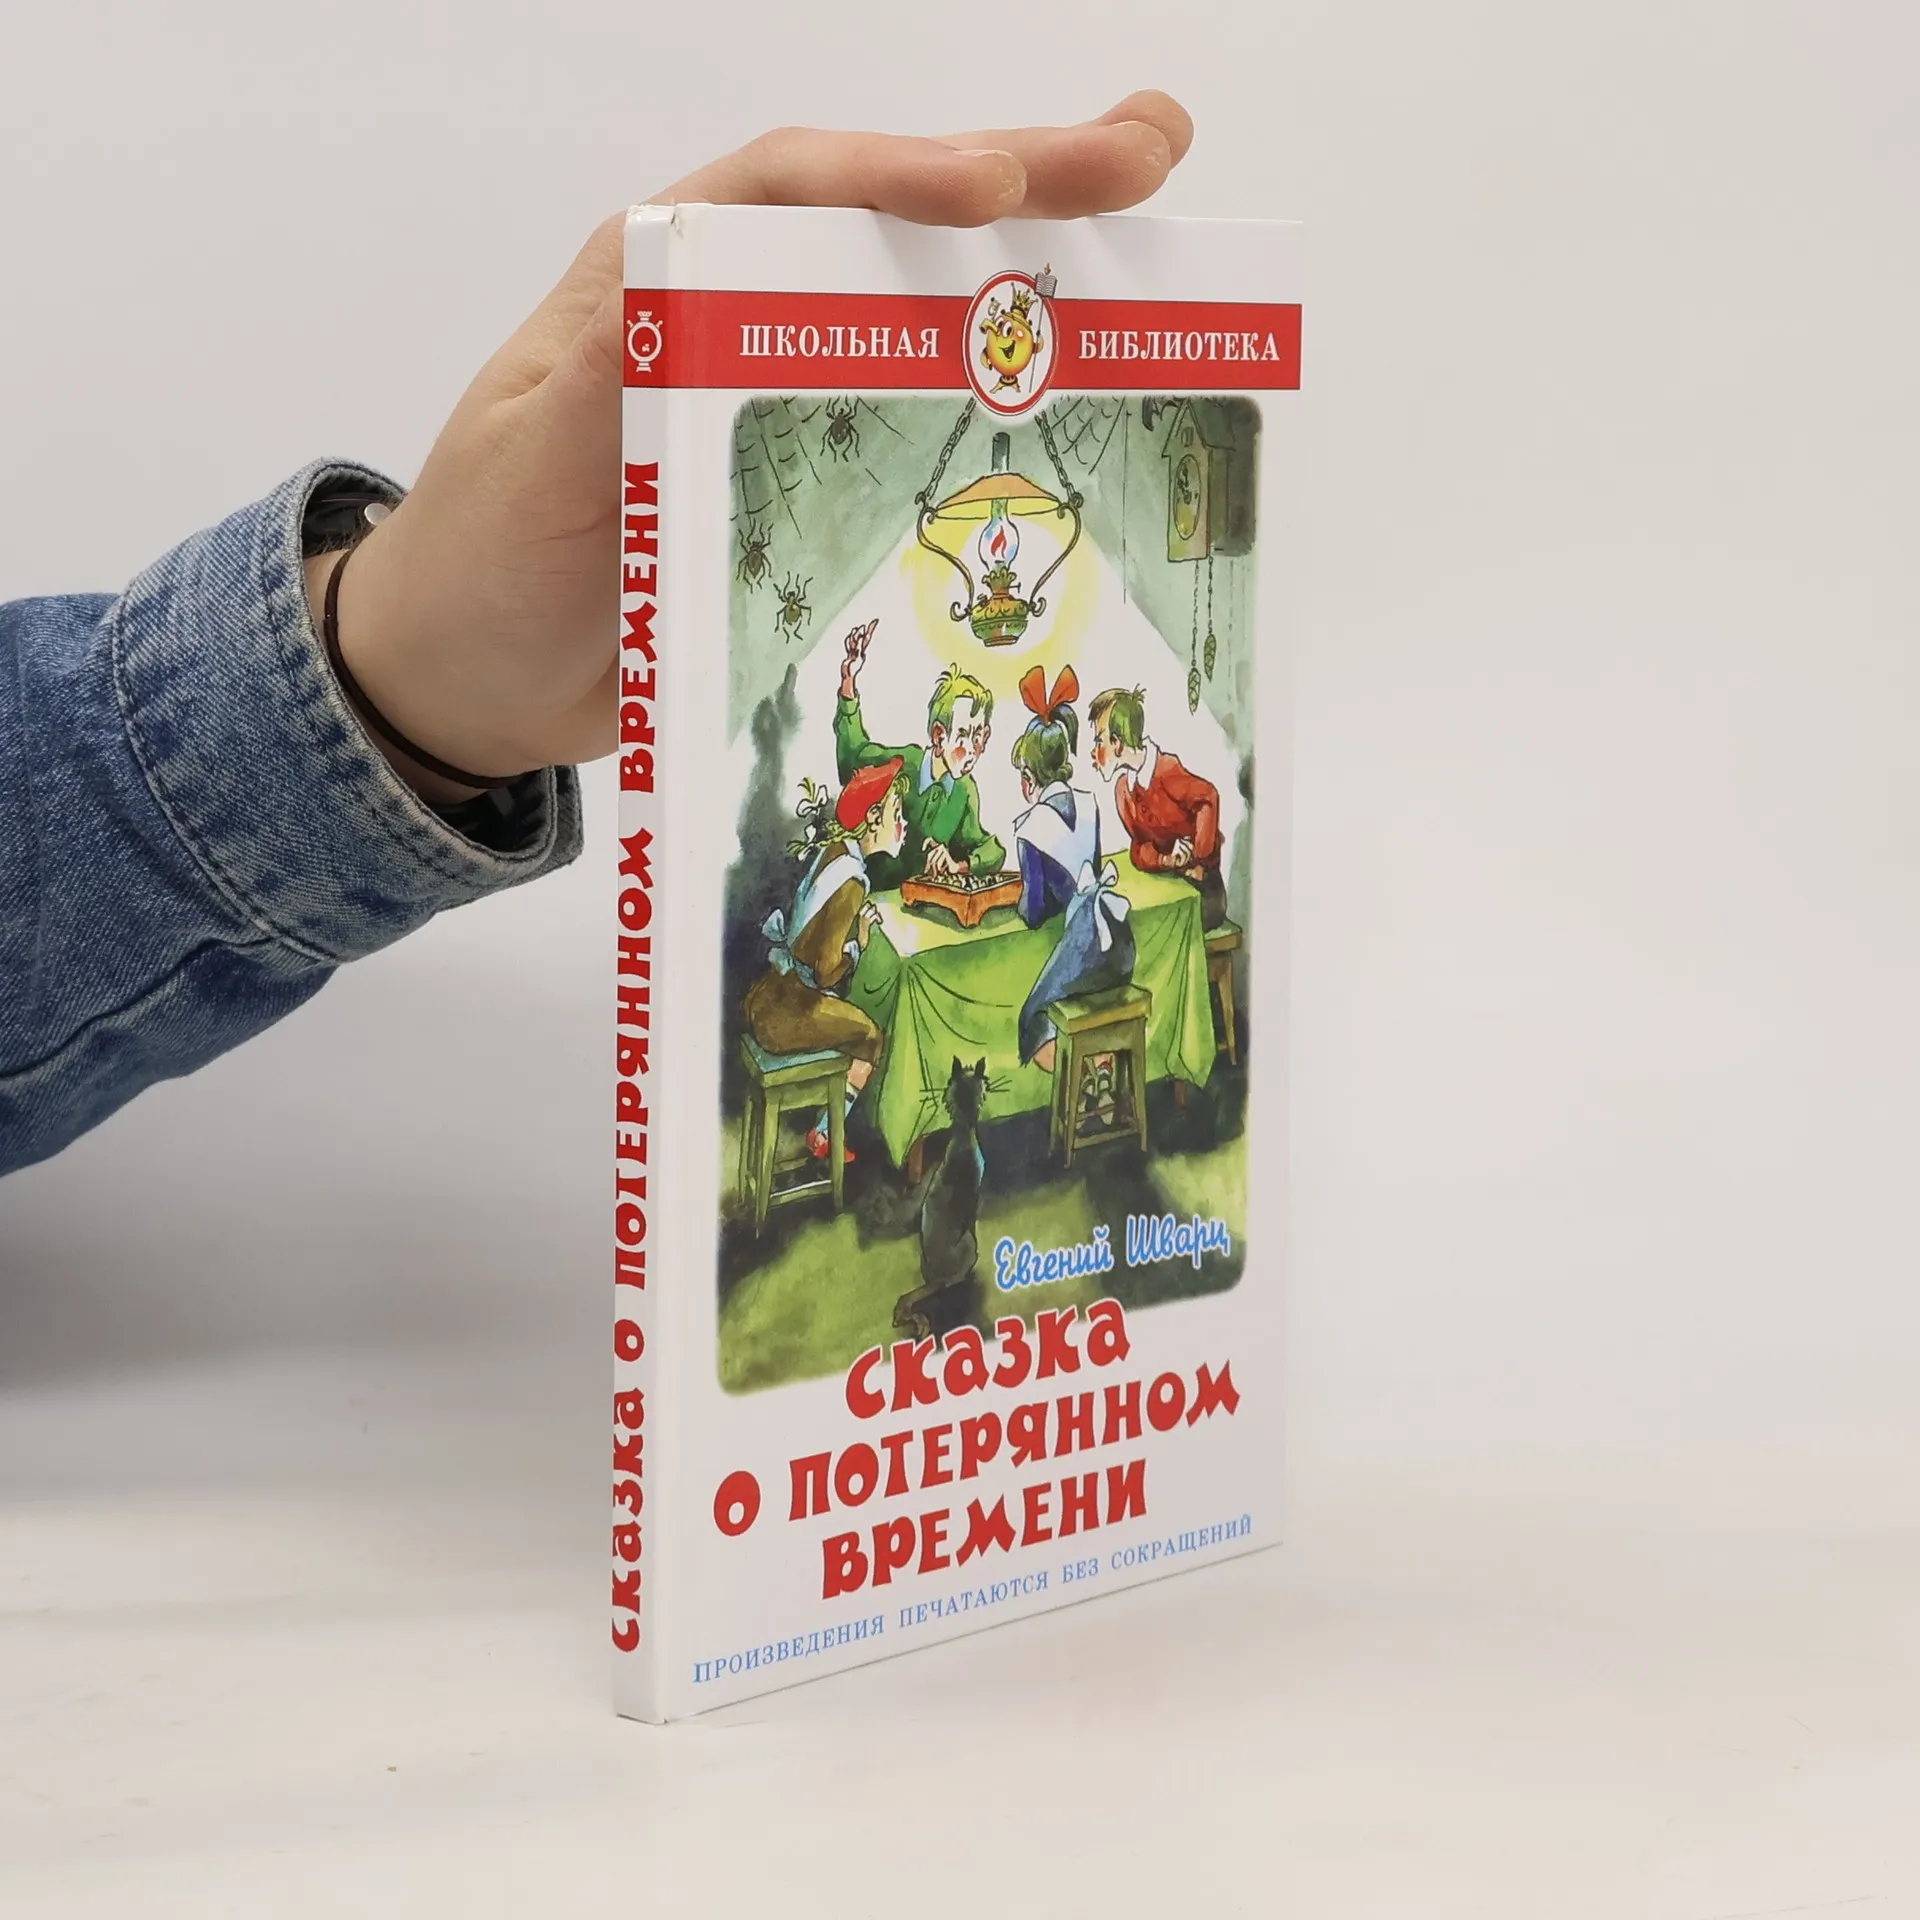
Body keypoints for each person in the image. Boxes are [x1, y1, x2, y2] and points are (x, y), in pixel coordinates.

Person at [0, 95, 1195, 1177]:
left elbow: (963, 845)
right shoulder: (883, 789)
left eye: (980, 731)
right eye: (964, 727)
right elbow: (865, 797)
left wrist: (394, 677)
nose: (968, 743)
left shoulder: (967, 795)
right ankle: (910, 1148)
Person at [745, 760, 906, 1162]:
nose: (902, 824)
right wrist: (860, 944)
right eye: (897, 813)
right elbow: (826, 972)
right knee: (871, 1037)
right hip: (791, 1008)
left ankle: (825, 1128)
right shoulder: (852, 883)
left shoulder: (833, 854)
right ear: (873, 819)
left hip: (772, 992)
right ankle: (823, 1133)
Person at [1008, 666, 1135, 1076]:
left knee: (1033, 1018)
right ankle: (1099, 1066)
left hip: (1084, 945)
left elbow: (1034, 912)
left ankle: (1083, 1078)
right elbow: (1089, 872)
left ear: (1029, 778)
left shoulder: (1031, 828)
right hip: (1117, 941)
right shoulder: (1090, 805)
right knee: (1072, 1008)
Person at [833, 618, 1004, 891]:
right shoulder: (903, 765)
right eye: (962, 735)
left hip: (919, 901)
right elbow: (853, 755)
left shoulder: (964, 791)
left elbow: (990, 849)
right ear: (939, 736)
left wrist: (958, 865)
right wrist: (848, 682)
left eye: (978, 737)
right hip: (870, 894)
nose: (972, 750)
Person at [1088, 683, 1228, 928]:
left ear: (1117, 744)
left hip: (1202, 890)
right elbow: (1138, 849)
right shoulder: (1123, 791)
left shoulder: (1166, 770)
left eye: (1099, 742)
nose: (1094, 752)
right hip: (1166, 883)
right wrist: (1166, 860)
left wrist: (1199, 859)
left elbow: (1208, 798)